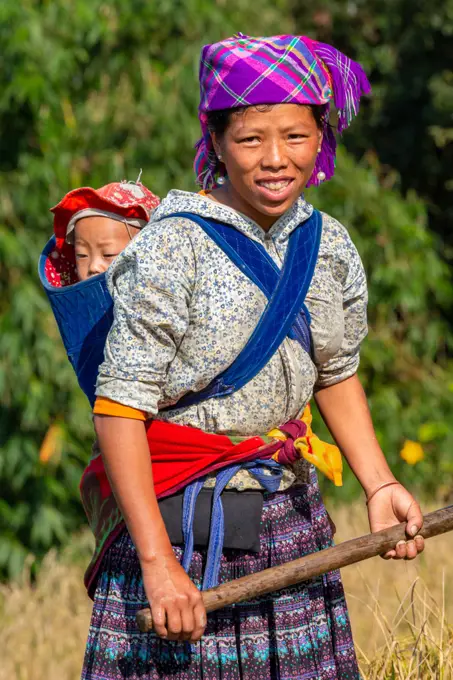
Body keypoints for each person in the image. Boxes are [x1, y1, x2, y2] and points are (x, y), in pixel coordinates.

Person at [82, 34, 425, 680]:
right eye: (250, 140)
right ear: (213, 141)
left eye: (295, 137)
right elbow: (118, 409)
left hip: (291, 524)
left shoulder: (327, 247)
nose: (275, 159)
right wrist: (157, 566)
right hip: (180, 537)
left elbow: (336, 372)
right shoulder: (169, 250)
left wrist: (379, 484)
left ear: (320, 137)